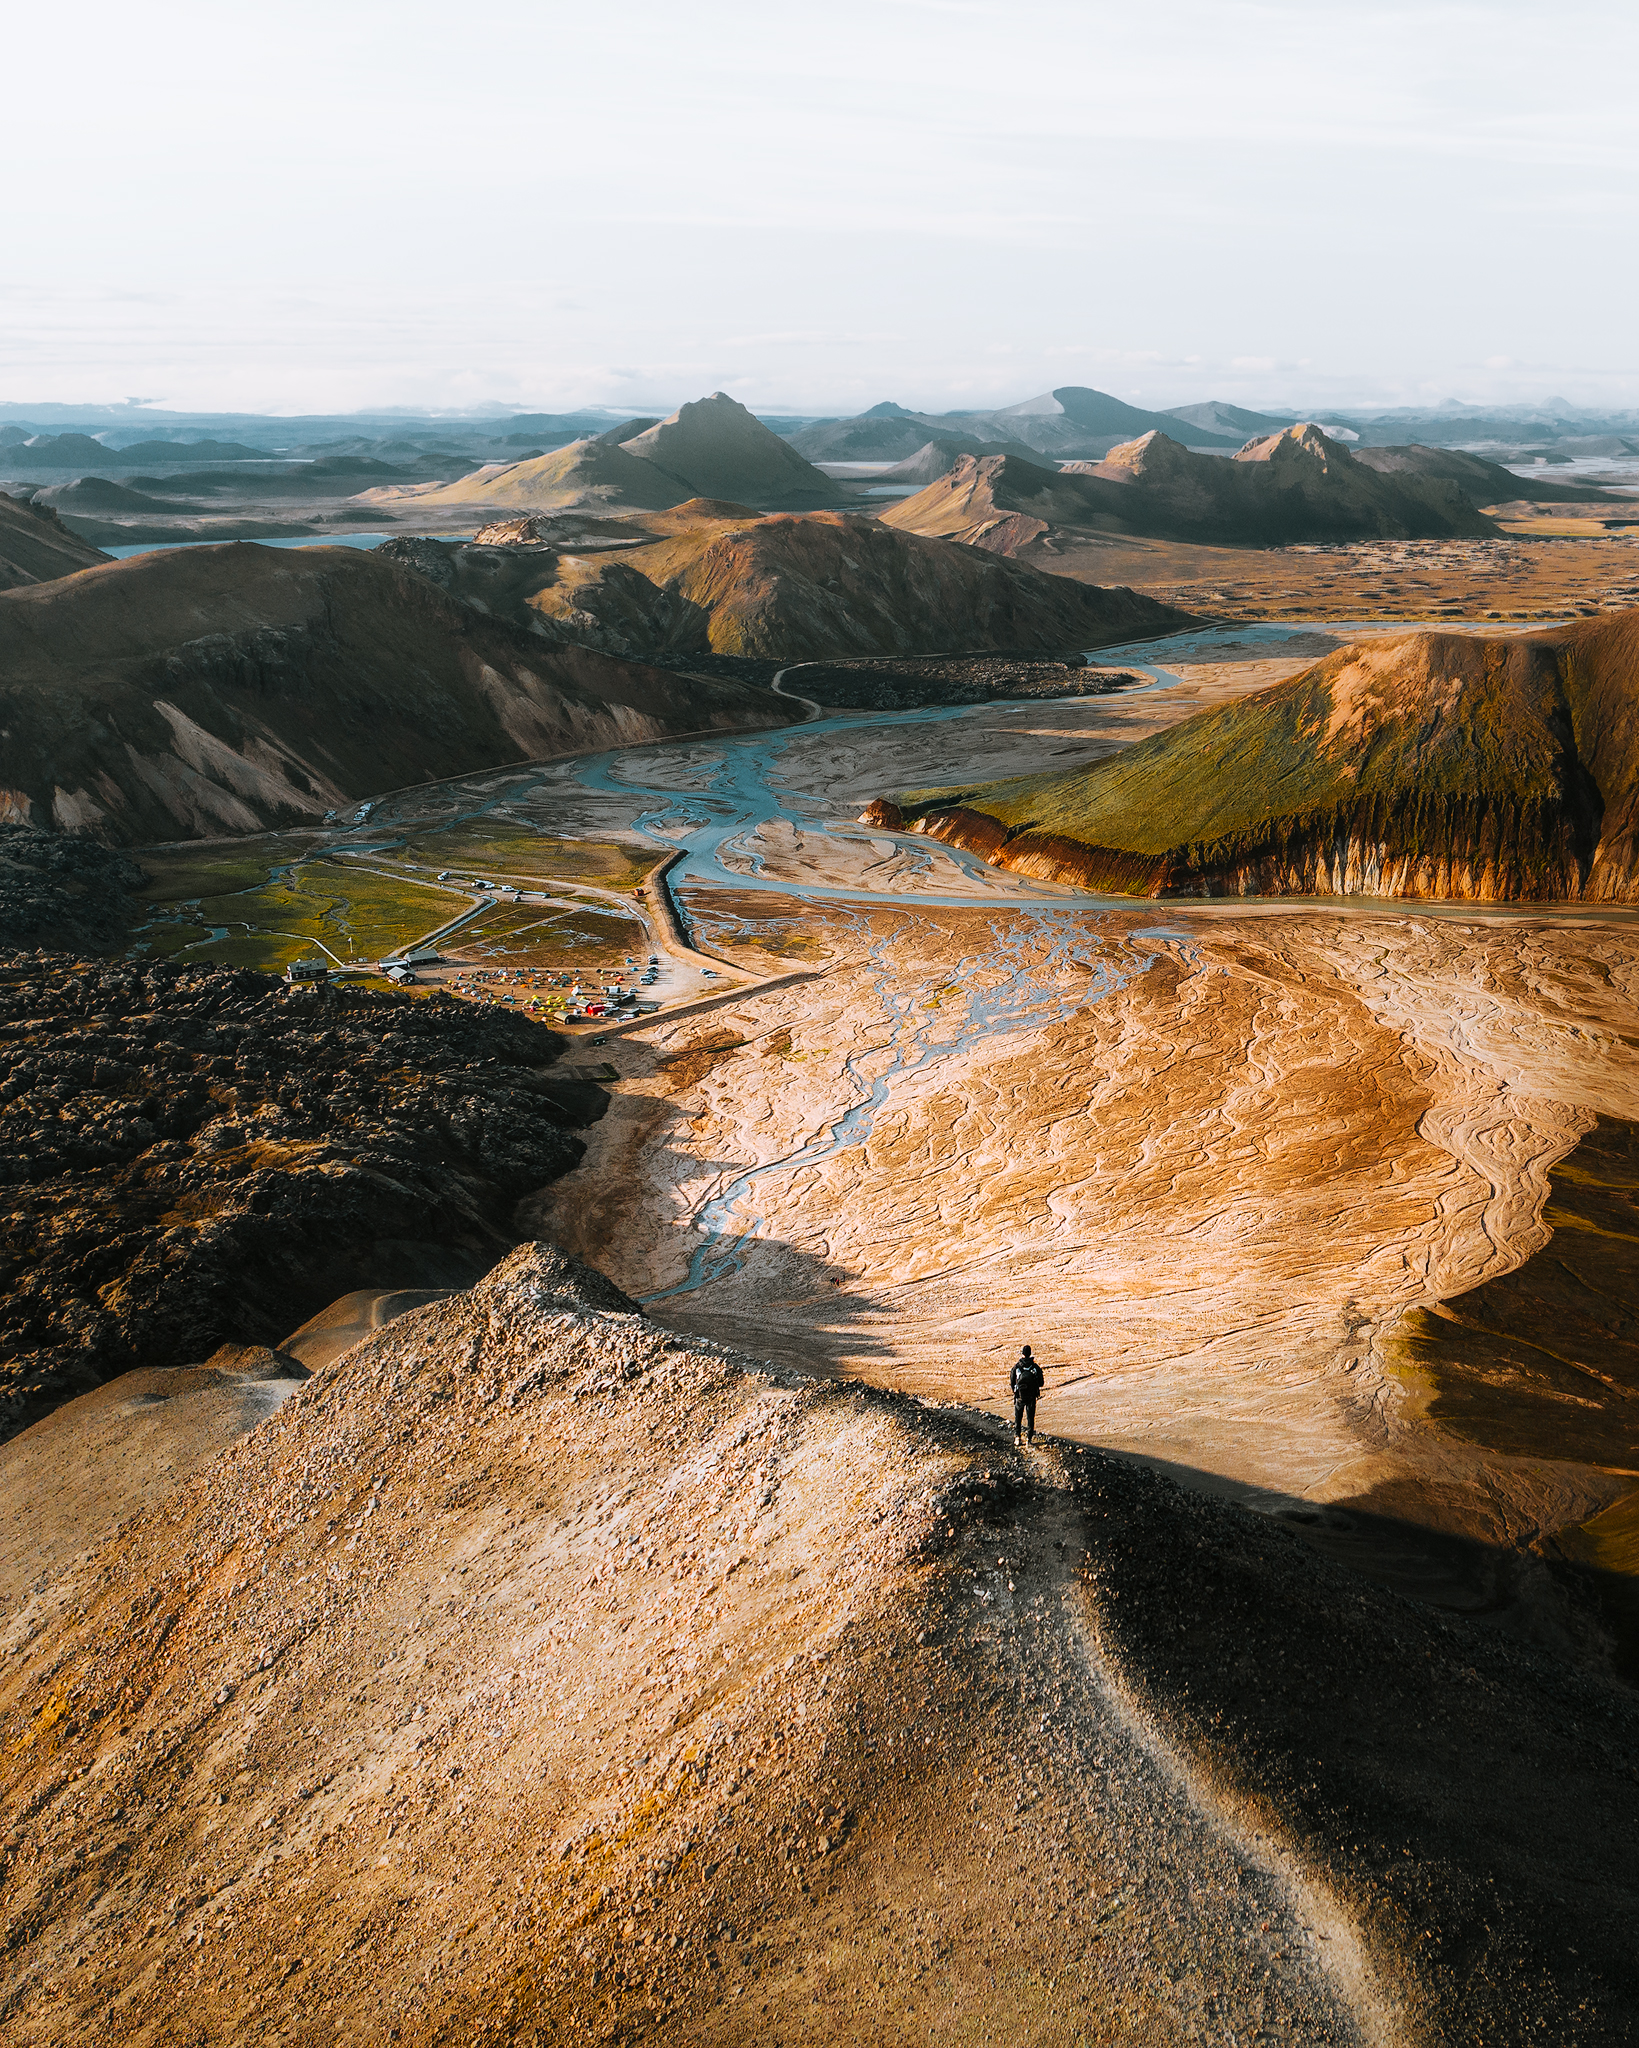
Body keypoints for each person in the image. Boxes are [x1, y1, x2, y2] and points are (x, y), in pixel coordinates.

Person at [1011, 1345, 1044, 1447]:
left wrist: (1016, 1392)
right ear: (1030, 1354)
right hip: (1031, 1397)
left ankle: (1017, 1437)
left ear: (1022, 1353)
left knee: (1018, 1417)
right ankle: (1028, 1440)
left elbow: (1012, 1381)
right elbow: (1041, 1383)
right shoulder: (1035, 1367)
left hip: (1020, 1396)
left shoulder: (1017, 1367)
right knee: (1030, 1418)